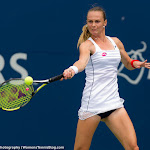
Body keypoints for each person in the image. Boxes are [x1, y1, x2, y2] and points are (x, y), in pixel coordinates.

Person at [61, 6, 150, 150]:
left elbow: (127, 63)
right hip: (93, 104)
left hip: (113, 103)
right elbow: (81, 63)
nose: (93, 25)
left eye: (97, 21)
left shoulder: (116, 42)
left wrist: (137, 63)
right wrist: (72, 69)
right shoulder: (87, 45)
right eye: (90, 21)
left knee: (133, 147)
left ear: (105, 22)